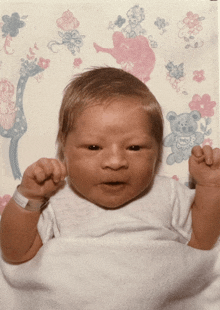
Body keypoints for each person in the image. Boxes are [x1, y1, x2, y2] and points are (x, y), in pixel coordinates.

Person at [0, 67, 220, 265]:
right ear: (64, 150)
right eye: (94, 147)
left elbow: (202, 243)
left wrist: (209, 185)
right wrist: (28, 197)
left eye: (134, 147)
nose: (115, 162)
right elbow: (15, 254)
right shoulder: (55, 201)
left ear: (157, 152)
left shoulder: (167, 194)